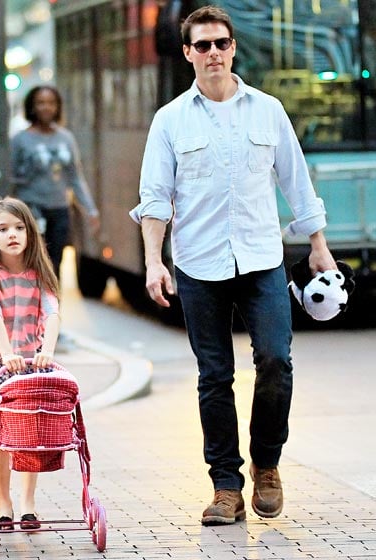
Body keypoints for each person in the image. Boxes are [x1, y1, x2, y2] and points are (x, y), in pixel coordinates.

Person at [129, 5, 337, 526]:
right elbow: (154, 198)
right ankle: (226, 486)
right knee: (214, 376)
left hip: (262, 258)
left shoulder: (267, 110)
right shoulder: (170, 119)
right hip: (199, 264)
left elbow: (296, 180)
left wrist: (319, 245)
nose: (214, 53)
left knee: (275, 361)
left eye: (221, 43)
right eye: (203, 45)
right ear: (187, 53)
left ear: (233, 48)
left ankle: (267, 464)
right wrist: (155, 262)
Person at [0, 197, 60, 531]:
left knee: (31, 433)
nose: (12, 234)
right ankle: (3, 502)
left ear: (30, 233)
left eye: (19, 228)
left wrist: (47, 349)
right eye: (3, 229)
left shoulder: (39, 272)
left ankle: (28, 504)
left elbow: (52, 311)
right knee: (3, 437)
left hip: (32, 362)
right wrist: (7, 354)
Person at [10, 85, 100, 281]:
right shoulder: (20, 140)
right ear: (32, 107)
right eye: (41, 103)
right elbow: (13, 177)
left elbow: (75, 177)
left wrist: (90, 209)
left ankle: (52, 308)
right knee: (33, 261)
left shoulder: (66, 138)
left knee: (55, 263)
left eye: (51, 103)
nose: (46, 108)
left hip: (60, 208)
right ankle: (31, 307)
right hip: (32, 208)